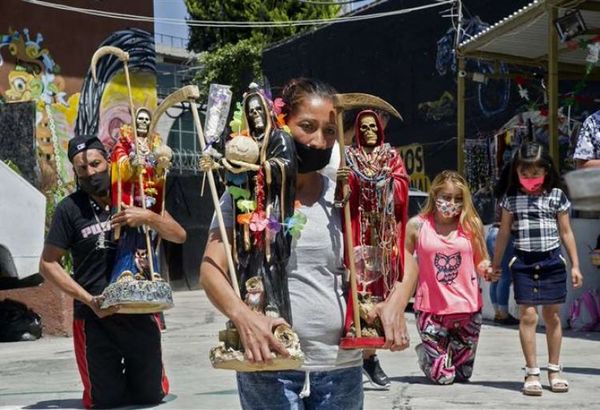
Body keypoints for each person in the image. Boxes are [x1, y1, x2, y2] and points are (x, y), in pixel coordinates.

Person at [200, 78, 410, 409]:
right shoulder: (245, 194)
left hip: (340, 366)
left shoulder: (344, 194)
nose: (318, 141)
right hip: (270, 363)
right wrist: (242, 315)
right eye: (307, 127)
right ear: (282, 124)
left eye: (329, 131)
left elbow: (401, 256)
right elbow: (210, 271)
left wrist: (396, 301)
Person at [39, 135, 186, 409]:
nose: (91, 172)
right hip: (95, 316)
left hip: (139, 311)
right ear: (75, 171)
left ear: (109, 161)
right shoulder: (69, 209)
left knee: (150, 396)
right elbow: (47, 264)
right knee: (104, 401)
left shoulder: (138, 193)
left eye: (96, 164)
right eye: (82, 169)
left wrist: (148, 217)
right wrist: (88, 300)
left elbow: (179, 235)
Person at [384, 170, 496, 385]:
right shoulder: (417, 226)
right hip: (430, 309)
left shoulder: (471, 225)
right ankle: (429, 356)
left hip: (467, 309)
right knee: (444, 377)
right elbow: (404, 262)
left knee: (463, 376)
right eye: (446, 197)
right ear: (434, 195)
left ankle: (445, 356)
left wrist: (488, 270)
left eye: (457, 199)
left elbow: (481, 260)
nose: (451, 203)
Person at [493, 141, 583, 396]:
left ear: (546, 171)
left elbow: (566, 232)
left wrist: (575, 265)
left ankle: (554, 370)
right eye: (525, 174)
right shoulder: (512, 199)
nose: (531, 179)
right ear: (516, 173)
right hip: (523, 263)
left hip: (552, 262)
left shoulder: (557, 196)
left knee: (552, 316)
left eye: (536, 173)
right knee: (528, 316)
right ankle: (532, 372)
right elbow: (503, 234)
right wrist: (496, 263)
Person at [340, 109, 410, 389]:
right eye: (363, 126)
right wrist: (344, 181)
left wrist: (387, 182)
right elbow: (342, 195)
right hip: (357, 229)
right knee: (355, 287)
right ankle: (356, 350)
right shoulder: (349, 156)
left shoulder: (390, 156)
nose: (368, 131)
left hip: (382, 233)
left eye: (373, 126)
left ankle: (371, 355)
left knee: (380, 288)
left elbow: (403, 186)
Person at [486, 209, 519, 326]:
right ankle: (503, 314)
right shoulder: (512, 196)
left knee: (496, 274)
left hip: (491, 233)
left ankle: (498, 312)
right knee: (505, 275)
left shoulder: (501, 195)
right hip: (503, 234)